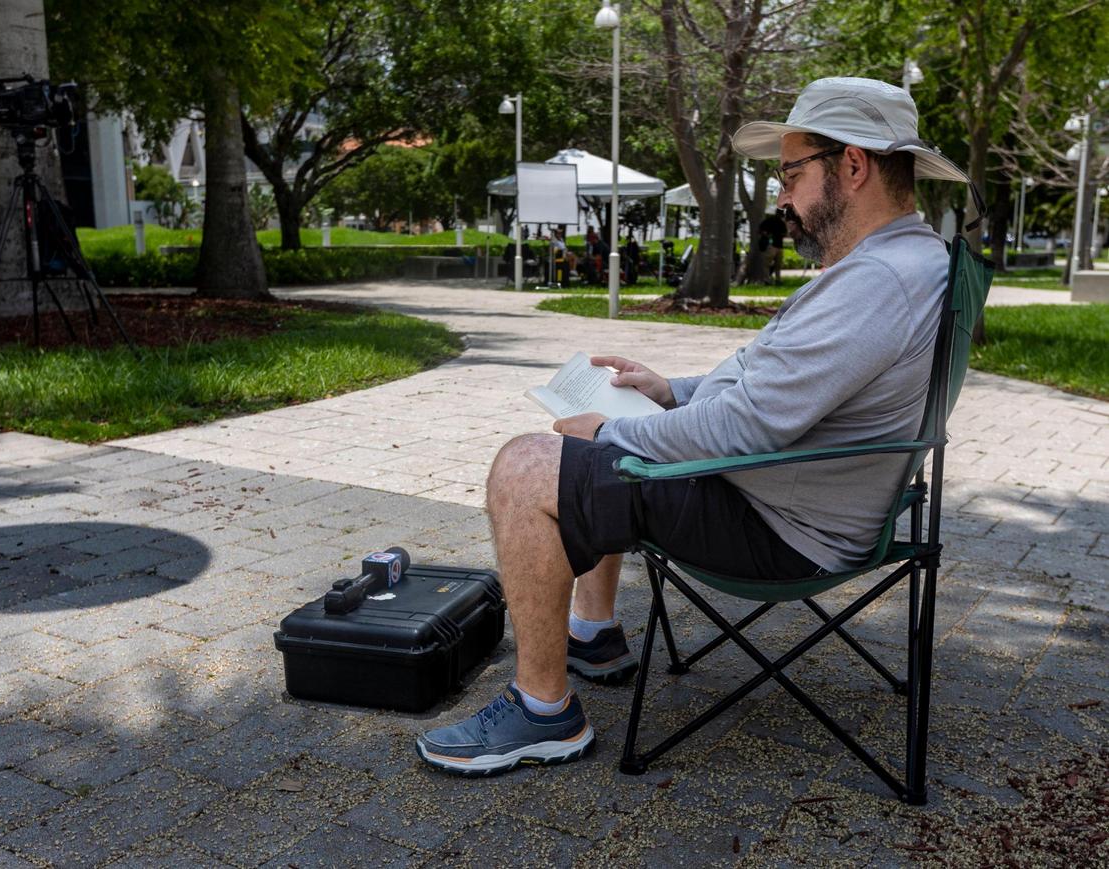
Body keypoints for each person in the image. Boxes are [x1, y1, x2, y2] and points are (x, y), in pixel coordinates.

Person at [415, 77, 972, 776]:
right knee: (605, 430)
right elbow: (771, 385)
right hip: (788, 497)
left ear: (853, 166)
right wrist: (667, 391)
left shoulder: (878, 281)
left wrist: (609, 434)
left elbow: (749, 424)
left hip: (776, 525)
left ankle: (544, 710)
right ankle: (591, 632)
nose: (782, 196)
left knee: (527, 467)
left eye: (791, 173)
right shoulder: (900, 262)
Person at [758, 211, 787, 282]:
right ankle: (777, 279)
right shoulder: (781, 223)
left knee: (767, 264)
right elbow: (785, 233)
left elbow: (760, 230)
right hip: (778, 246)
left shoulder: (769, 220)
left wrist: (767, 235)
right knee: (777, 265)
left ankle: (767, 279)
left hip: (771, 246)